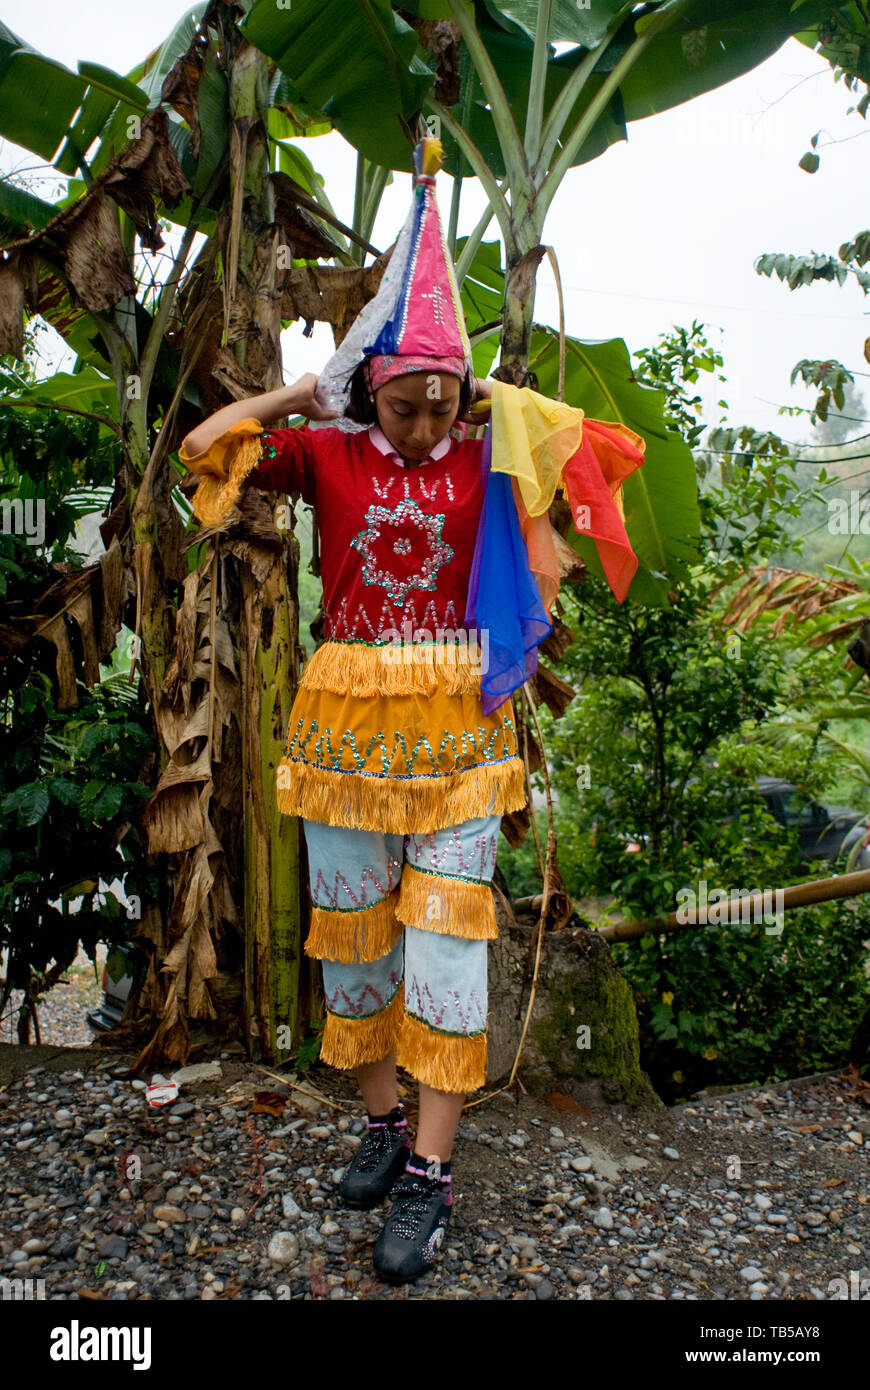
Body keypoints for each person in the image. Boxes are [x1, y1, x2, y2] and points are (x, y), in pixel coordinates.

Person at [178, 137, 645, 1285]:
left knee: (445, 943)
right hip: (343, 732)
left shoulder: (493, 446)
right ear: (371, 388)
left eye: (445, 400)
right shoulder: (328, 452)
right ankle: (385, 1126)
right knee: (353, 938)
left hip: (459, 736)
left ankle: (432, 1176)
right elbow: (198, 449)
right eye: (408, 399)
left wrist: (495, 395)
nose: (430, 423)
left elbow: (603, 465)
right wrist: (308, 387)